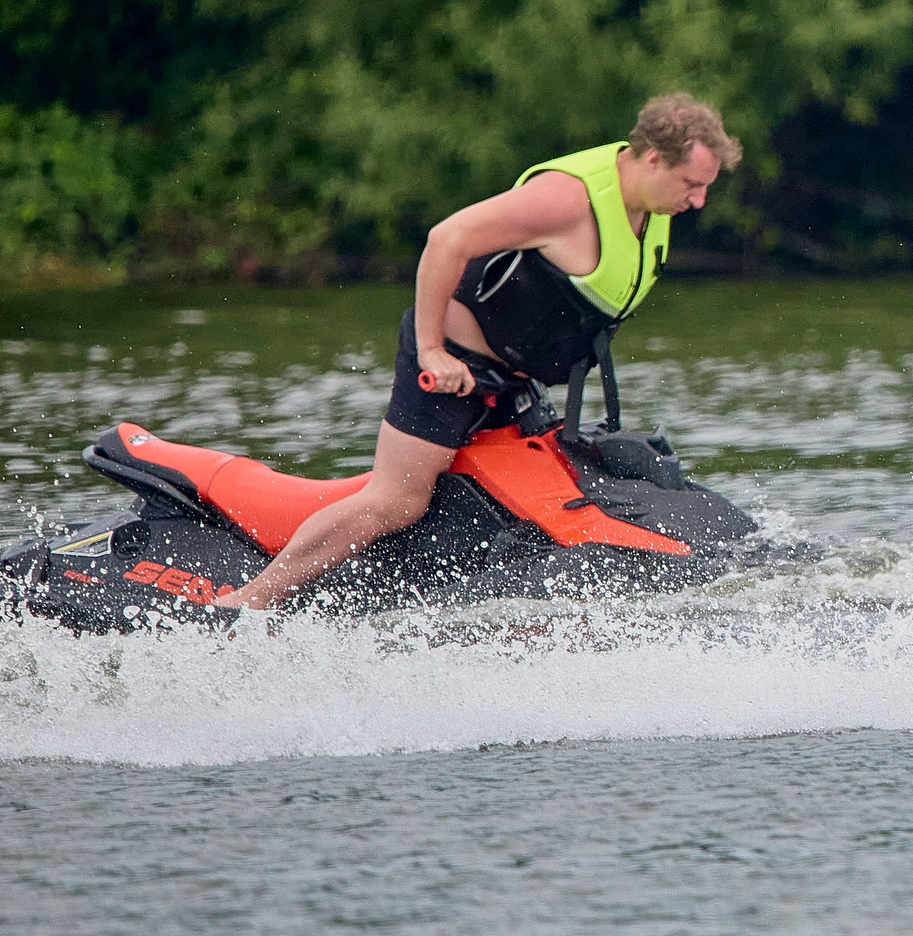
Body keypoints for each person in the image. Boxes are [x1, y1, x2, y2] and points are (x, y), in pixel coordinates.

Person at [220, 93, 742, 609]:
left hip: (512, 383)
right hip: (453, 366)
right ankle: (249, 602)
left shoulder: (652, 205)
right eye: (691, 185)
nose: (697, 202)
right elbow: (447, 239)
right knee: (396, 501)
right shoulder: (566, 200)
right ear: (654, 159)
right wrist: (430, 351)